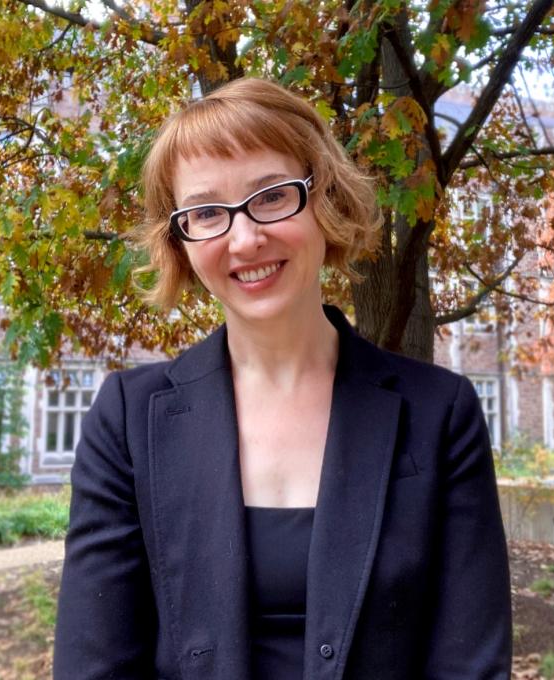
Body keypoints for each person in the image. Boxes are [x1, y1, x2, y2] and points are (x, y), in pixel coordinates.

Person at [53, 78, 512, 680]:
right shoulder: (127, 420)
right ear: (180, 240)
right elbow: (96, 665)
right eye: (207, 212)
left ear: (325, 198)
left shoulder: (440, 412)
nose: (244, 238)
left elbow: (468, 666)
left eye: (271, 196)